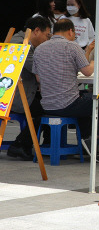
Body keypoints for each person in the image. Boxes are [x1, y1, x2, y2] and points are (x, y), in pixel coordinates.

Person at [32, 19, 99, 150]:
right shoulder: (72, 46)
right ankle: (93, 139)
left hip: (47, 105)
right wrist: (94, 63)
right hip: (67, 104)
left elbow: (38, 78)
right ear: (70, 31)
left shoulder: (39, 49)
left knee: (85, 98)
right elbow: (87, 71)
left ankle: (83, 142)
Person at [6, 17, 51, 161]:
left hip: (20, 93)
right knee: (48, 111)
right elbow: (36, 68)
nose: (47, 39)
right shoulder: (21, 44)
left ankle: (42, 145)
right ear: (37, 31)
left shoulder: (19, 40)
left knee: (48, 106)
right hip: (15, 96)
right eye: (47, 35)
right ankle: (21, 144)